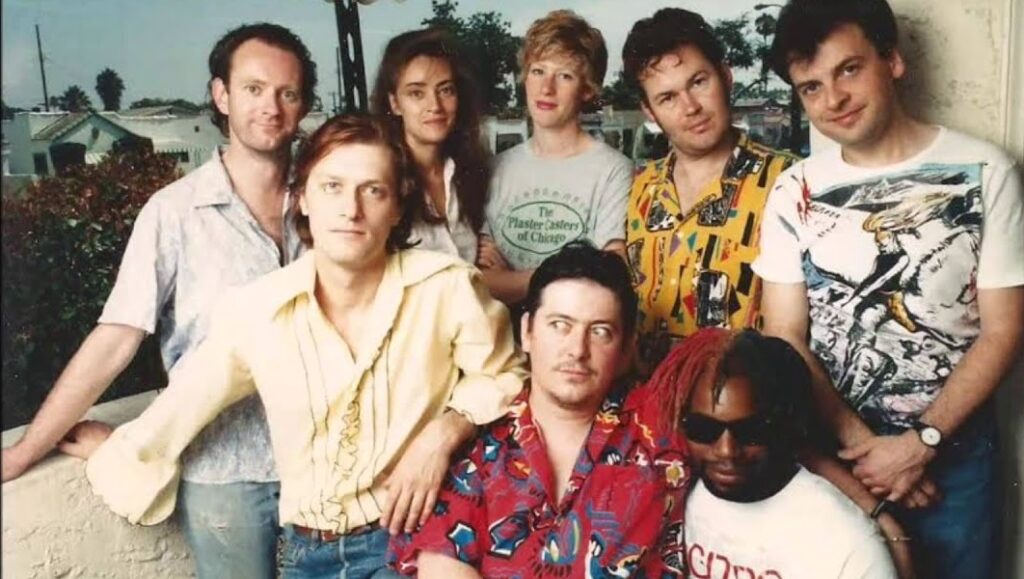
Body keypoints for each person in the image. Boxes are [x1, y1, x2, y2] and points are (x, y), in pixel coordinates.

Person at [58, 114, 527, 579]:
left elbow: (508, 377)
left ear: (398, 207)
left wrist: (443, 434)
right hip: (307, 555)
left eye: (373, 190)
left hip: (413, 542)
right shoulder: (259, 309)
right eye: (332, 187)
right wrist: (116, 449)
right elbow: (187, 401)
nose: (351, 209)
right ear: (301, 198)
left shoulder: (444, 288)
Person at [2, 22, 317, 578]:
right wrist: (26, 451)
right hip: (226, 478)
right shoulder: (173, 213)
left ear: (303, 104)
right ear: (221, 95)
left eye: (287, 93)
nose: (270, 106)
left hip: (326, 468)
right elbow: (116, 339)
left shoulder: (328, 201)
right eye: (253, 88)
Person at [755, 1, 1024, 577]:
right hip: (836, 458)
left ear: (893, 59)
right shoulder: (792, 190)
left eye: (849, 69)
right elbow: (784, 335)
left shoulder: (986, 169)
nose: (834, 99)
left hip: (954, 461)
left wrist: (919, 444)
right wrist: (866, 453)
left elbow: (1004, 329)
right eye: (811, 87)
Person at [389, 242, 690, 578]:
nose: (577, 350)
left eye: (600, 331)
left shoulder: (662, 427)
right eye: (560, 325)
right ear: (527, 332)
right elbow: (441, 563)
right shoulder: (479, 439)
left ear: (625, 349)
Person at [620, 8, 797, 371]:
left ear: (726, 75)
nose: (691, 107)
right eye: (667, 98)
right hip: (644, 410)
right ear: (650, 112)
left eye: (698, 81)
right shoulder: (638, 188)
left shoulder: (787, 179)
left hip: (742, 414)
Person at [649, 328, 898, 578]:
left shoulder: (848, 546)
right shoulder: (672, 490)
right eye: (703, 429)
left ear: (782, 426)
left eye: (750, 431)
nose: (726, 451)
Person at [477, 10, 633, 307]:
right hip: (500, 345)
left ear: (587, 89)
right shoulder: (495, 169)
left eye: (564, 76)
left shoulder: (613, 171)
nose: (546, 88)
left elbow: (607, 281)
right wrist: (572, 274)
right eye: (538, 71)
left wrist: (514, 278)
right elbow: (479, 282)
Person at [371, 28, 491, 264]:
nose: (434, 105)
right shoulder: (380, 179)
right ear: (395, 103)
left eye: (445, 90)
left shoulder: (470, 174)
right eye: (416, 93)